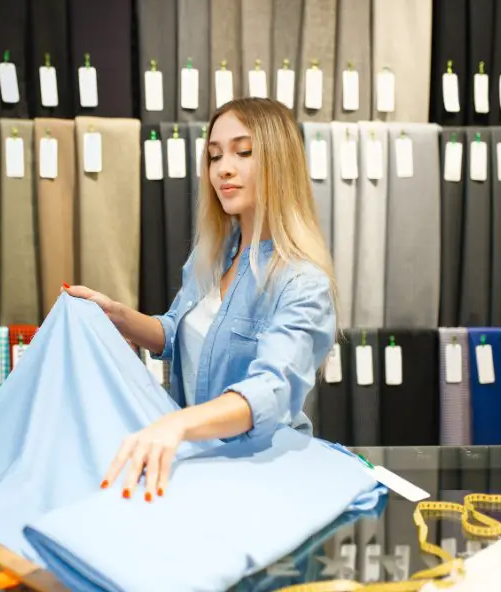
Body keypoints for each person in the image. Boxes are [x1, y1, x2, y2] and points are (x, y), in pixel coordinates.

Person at [64, 97, 339, 503]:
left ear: (280, 162)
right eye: (214, 156)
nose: (223, 168)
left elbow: (271, 390)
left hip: (262, 477)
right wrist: (117, 315)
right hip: (197, 464)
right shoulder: (212, 254)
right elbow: (177, 332)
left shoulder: (302, 284)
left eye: (243, 152)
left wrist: (176, 425)